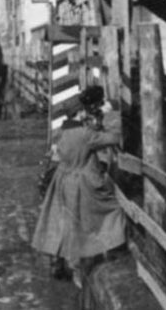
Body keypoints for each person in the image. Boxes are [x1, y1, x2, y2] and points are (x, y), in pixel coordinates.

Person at [32, 85, 124, 283]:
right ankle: (81, 268)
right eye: (83, 111)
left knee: (64, 222)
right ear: (79, 112)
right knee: (108, 213)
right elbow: (114, 137)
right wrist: (111, 114)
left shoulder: (63, 132)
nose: (85, 113)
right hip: (81, 183)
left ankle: (62, 262)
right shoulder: (84, 134)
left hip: (62, 180)